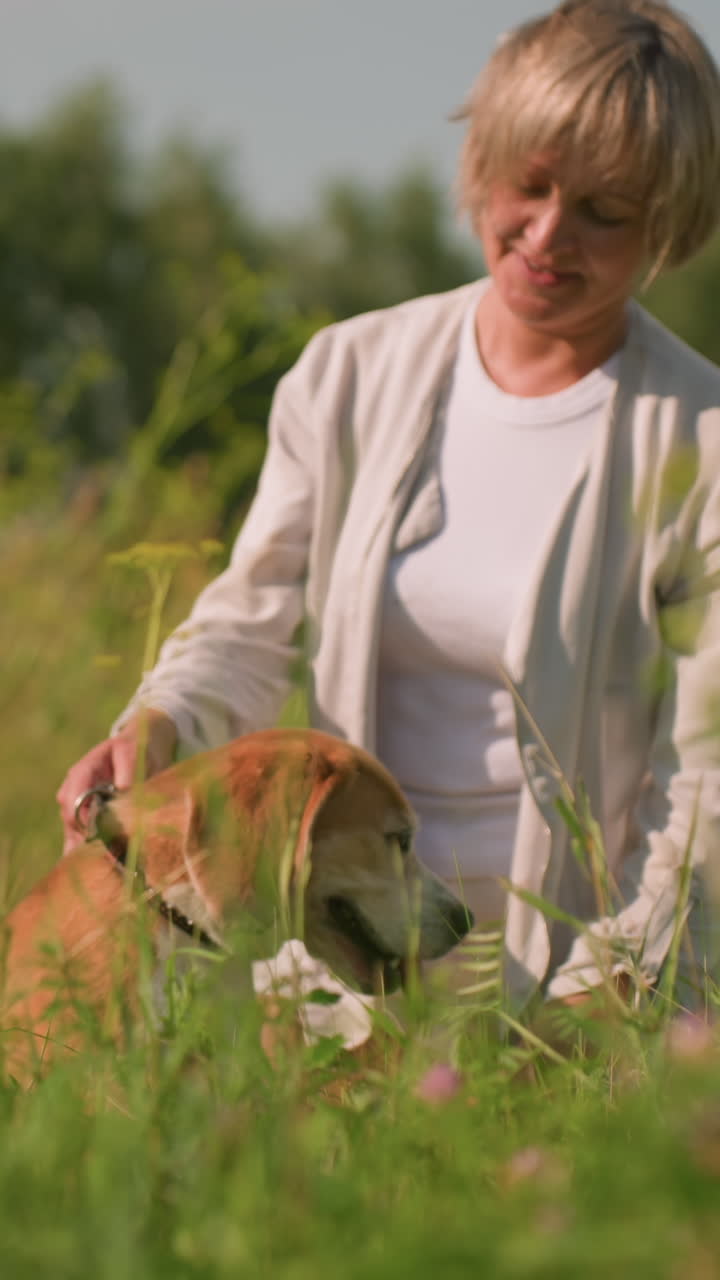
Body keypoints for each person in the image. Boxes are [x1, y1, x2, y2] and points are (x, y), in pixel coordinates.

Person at [58, 0, 720, 1018]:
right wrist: (161, 721)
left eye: (604, 211)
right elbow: (248, 621)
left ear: (668, 225)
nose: (547, 236)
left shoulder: (701, 440)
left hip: (584, 993)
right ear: (481, 162)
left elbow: (704, 784)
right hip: (339, 978)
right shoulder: (351, 373)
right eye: (529, 184)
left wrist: (597, 1004)